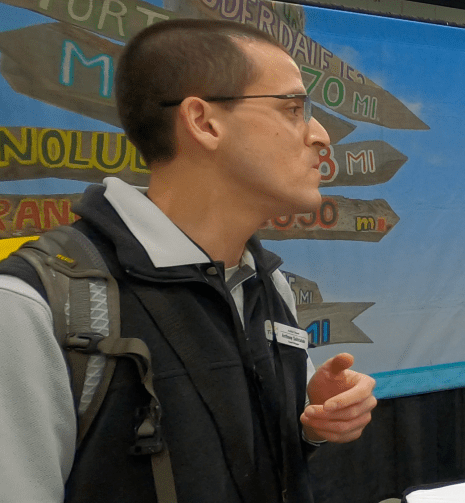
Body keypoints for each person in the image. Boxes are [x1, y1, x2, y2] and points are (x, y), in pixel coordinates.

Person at [0, 19, 376, 502]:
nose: (321, 136)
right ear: (203, 121)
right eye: (293, 109)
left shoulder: (265, 283)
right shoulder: (36, 305)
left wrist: (311, 423)